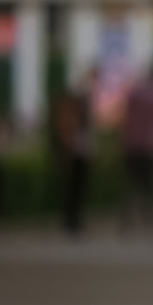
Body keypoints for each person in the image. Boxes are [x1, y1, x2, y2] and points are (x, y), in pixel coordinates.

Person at [121, 62, 153, 235]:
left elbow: (125, 117)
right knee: (151, 187)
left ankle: (127, 222)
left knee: (131, 185)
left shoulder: (135, 93)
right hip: (151, 146)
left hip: (132, 145)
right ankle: (150, 222)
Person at [51, 66, 99, 237]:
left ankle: (73, 220)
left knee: (77, 187)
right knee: (74, 187)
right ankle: (71, 221)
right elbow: (74, 125)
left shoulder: (84, 97)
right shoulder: (79, 98)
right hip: (77, 149)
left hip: (81, 148)